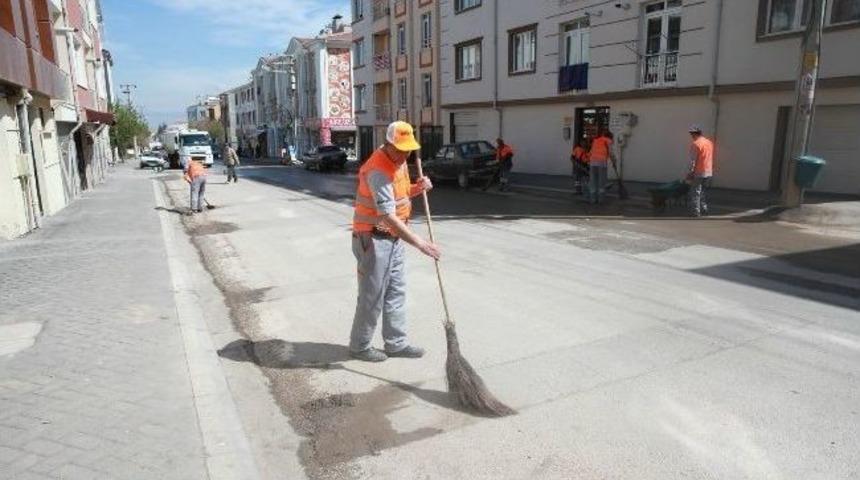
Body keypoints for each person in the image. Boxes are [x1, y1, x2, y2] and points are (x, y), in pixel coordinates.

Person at [349, 121, 440, 362]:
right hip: (372, 239)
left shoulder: (398, 163)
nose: (404, 155)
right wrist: (420, 243)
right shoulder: (377, 170)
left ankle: (396, 344)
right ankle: (359, 346)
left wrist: (418, 188)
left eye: (408, 150)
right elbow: (387, 215)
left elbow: (399, 195)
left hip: (393, 238)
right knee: (372, 296)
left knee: (396, 292)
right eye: (400, 150)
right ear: (388, 144)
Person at [686, 125, 714, 217]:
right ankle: (704, 209)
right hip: (708, 171)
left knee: (695, 192)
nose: (691, 136)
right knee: (703, 191)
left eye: (692, 134)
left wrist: (690, 172)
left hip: (699, 172)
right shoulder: (709, 142)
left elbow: (693, 160)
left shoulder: (696, 144)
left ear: (695, 134)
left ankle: (696, 212)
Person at [587, 130, 614, 204]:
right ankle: (600, 200)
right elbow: (611, 153)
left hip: (592, 163)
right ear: (610, 136)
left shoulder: (596, 141)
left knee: (593, 181)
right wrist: (614, 161)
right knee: (601, 182)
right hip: (601, 163)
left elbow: (591, 151)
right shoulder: (608, 141)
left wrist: (589, 161)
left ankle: (593, 199)